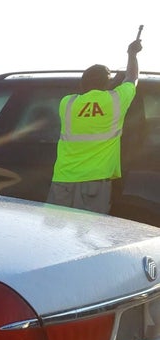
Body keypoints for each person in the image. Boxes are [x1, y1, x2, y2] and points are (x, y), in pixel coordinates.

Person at [47, 37, 143, 214]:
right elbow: (132, 78)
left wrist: (109, 84)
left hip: (63, 179)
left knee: (55, 236)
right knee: (86, 237)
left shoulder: (67, 103)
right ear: (107, 84)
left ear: (83, 83)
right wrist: (132, 54)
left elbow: (89, 100)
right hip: (95, 183)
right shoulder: (115, 100)